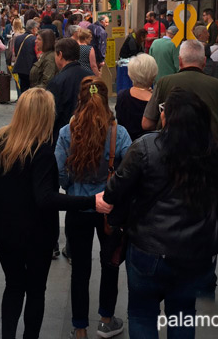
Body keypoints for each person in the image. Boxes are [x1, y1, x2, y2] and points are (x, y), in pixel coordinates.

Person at [104, 89, 218, 339]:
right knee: (183, 315)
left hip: (148, 247)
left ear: (168, 118)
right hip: (196, 253)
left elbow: (115, 190)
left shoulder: (145, 147)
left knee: (143, 315)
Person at [0, 88, 112, 339]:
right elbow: (45, 199)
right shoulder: (42, 150)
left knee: (13, 287)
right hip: (35, 233)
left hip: (3, 228)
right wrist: (90, 201)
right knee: (35, 291)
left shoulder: (1, 141)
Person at [55, 78, 131, 339]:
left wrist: (73, 183)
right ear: (106, 99)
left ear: (80, 99)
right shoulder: (117, 132)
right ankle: (106, 320)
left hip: (78, 208)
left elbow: (59, 174)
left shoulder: (68, 131)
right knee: (110, 264)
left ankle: (79, 328)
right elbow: (129, 171)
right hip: (109, 209)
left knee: (80, 270)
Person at [142, 40, 218, 144]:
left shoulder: (163, 83)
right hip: (210, 154)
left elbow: (146, 123)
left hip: (171, 150)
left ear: (180, 61)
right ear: (204, 61)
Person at [47, 38, 93, 141]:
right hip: (91, 133)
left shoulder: (57, 82)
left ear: (60, 55)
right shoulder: (91, 77)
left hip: (64, 136)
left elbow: (52, 114)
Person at [115, 54, 157, 141]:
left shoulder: (122, 96)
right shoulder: (156, 101)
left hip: (127, 145)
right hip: (150, 147)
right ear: (153, 73)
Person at [12, 19, 39, 95]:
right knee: (33, 90)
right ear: (33, 29)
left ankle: (23, 102)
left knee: (23, 88)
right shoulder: (35, 40)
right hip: (31, 67)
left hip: (20, 67)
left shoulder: (18, 38)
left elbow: (16, 52)